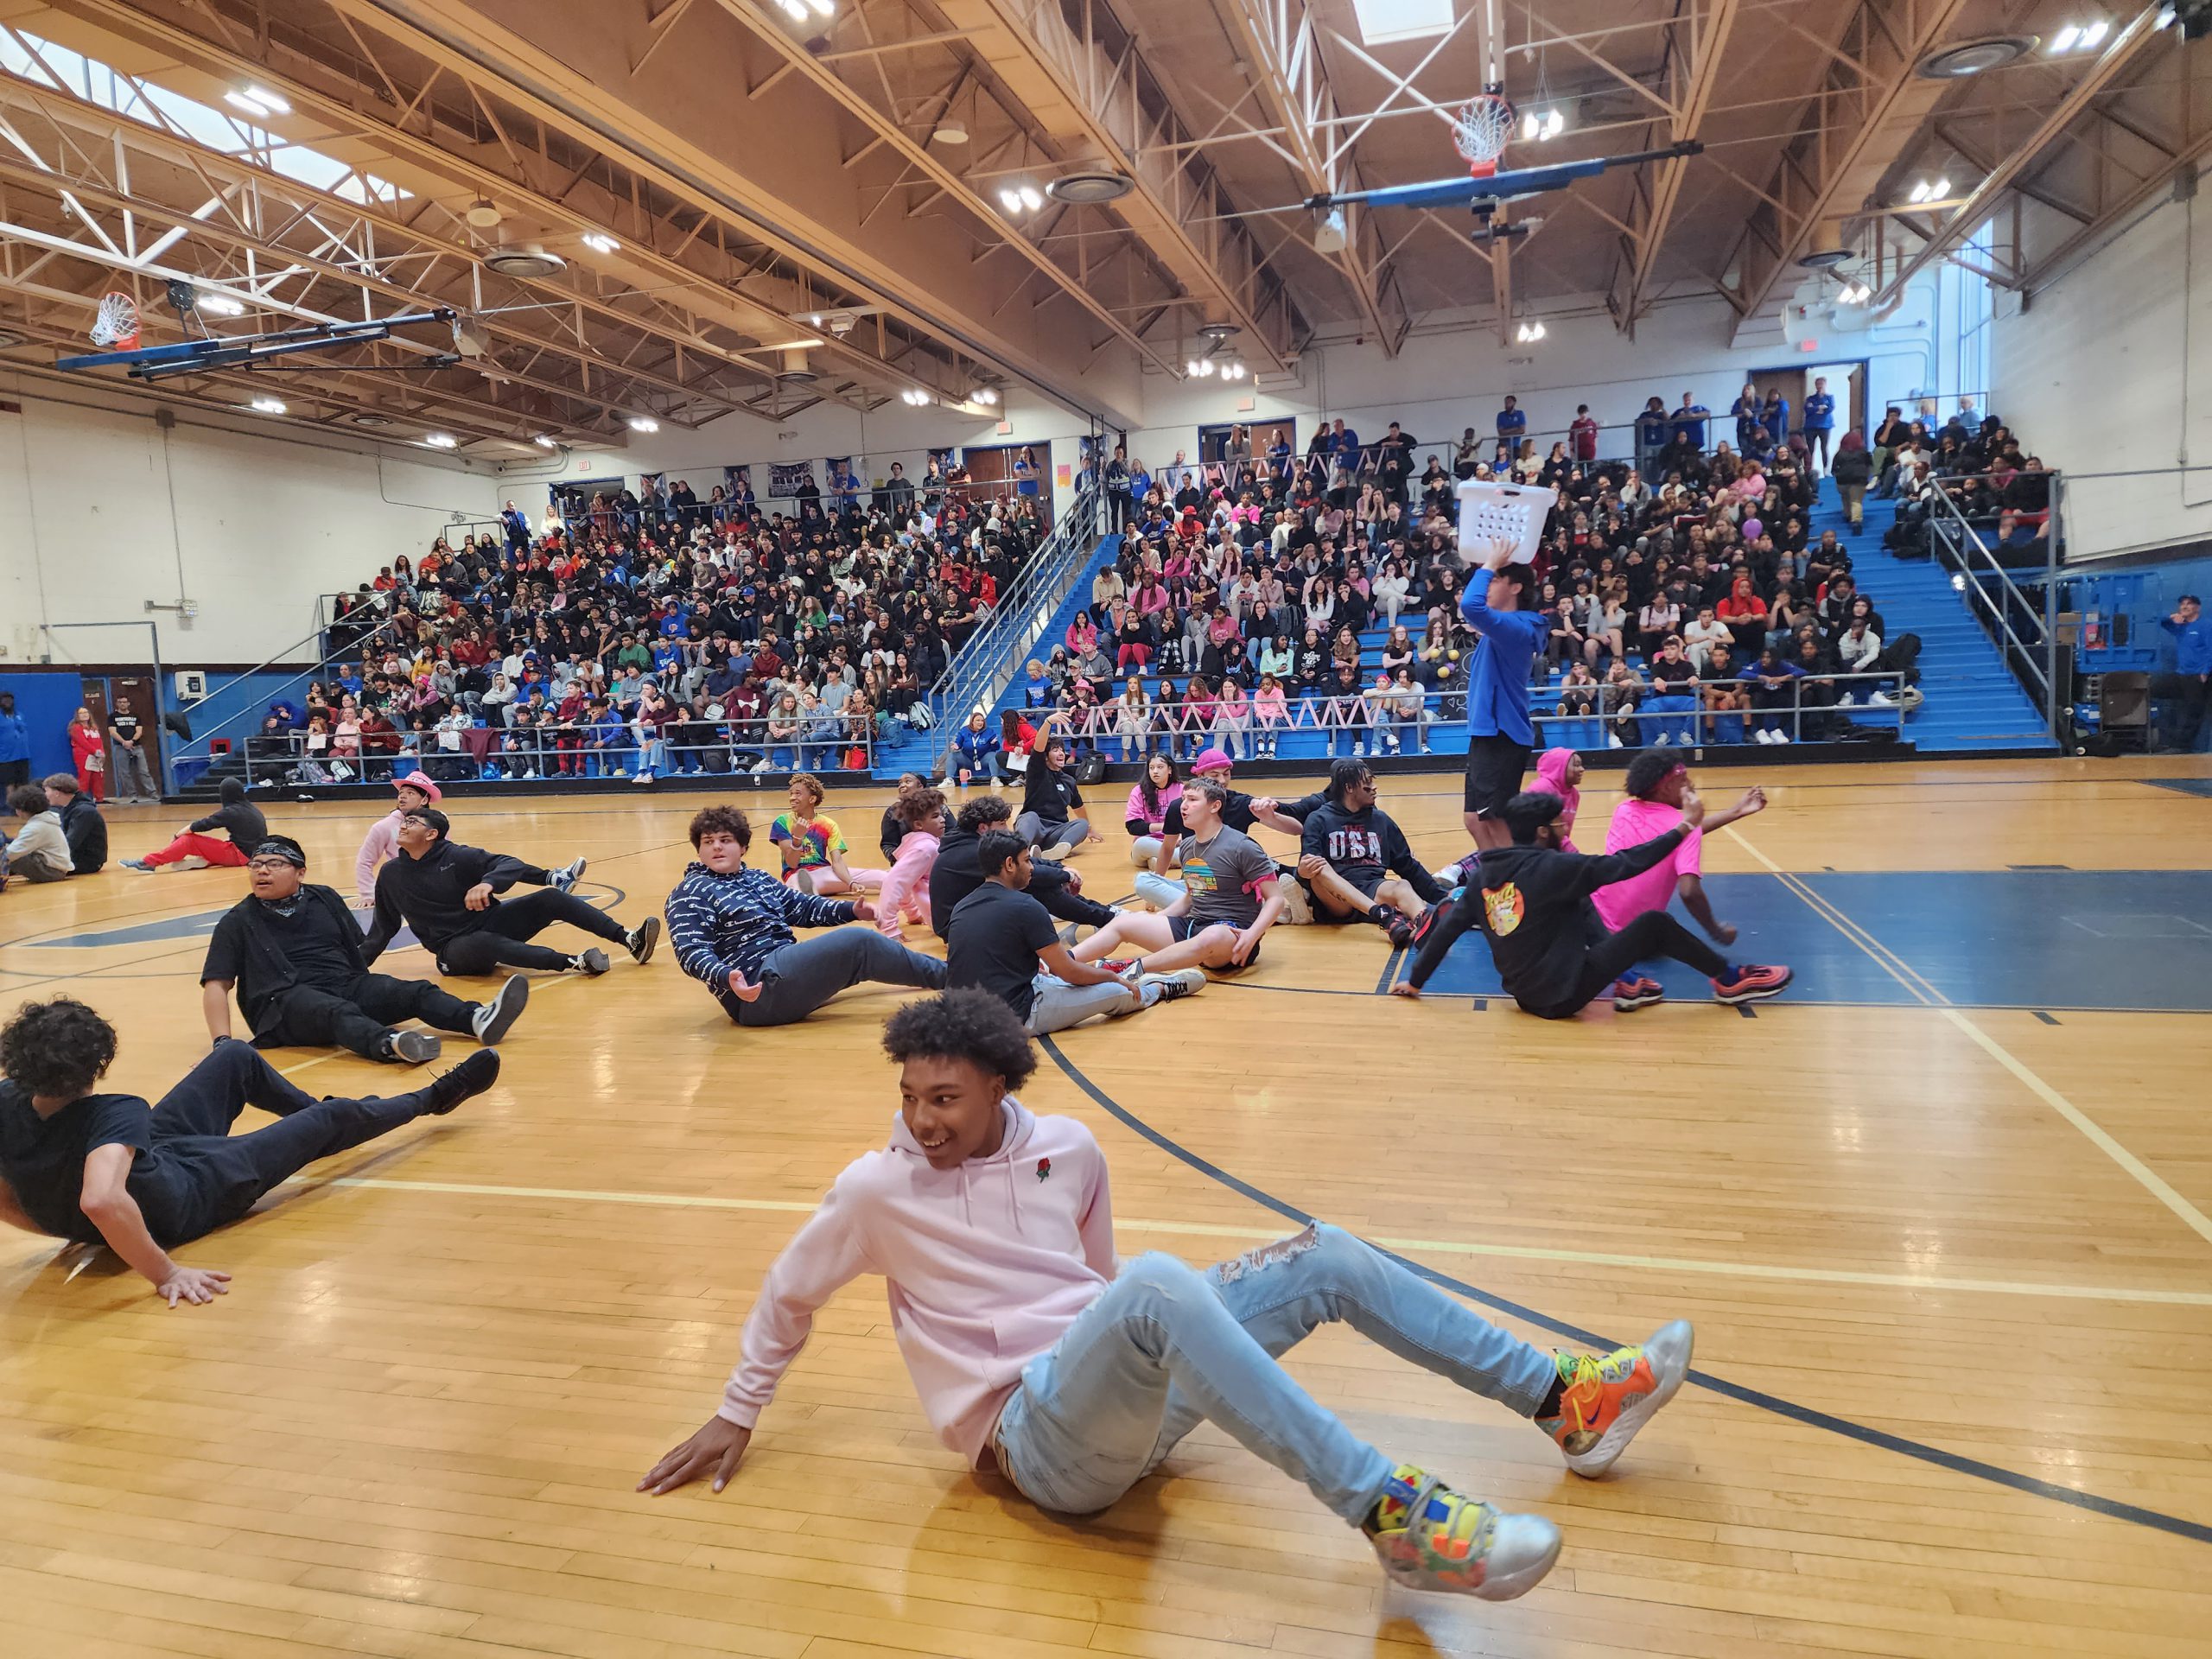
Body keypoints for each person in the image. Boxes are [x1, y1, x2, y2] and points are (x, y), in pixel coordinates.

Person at [639, 988, 1696, 1605]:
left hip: (1114, 1406)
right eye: (910, 1097)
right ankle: (1392, 1516)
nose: (923, 1120)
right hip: (1037, 1447)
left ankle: (1565, 1401)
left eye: (946, 1098)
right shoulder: (876, 1191)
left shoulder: (1069, 1147)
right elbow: (789, 1293)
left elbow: (1097, 1287)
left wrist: (1150, 1362)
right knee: (1156, 1285)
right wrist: (737, 1408)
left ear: (1002, 1085)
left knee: (1325, 1254)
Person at [0, 996, 499, 1306]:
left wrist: (65, 1226)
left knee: (235, 1056)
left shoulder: (7, 1100)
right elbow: (102, 1200)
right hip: (191, 1193)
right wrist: (165, 1272)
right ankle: (433, 1099)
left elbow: (12, 1197)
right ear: (98, 1061)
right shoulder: (113, 1113)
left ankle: (324, 1126)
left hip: (159, 1162)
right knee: (329, 1118)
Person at [1417, 789, 1789, 1017]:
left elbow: (1446, 929)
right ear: (1543, 832)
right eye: (1558, 824)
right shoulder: (1557, 867)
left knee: (1577, 899)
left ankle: (1625, 981)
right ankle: (1729, 980)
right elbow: (1631, 862)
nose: (1564, 828)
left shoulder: (1483, 875)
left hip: (1524, 996)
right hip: (1562, 996)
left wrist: (1415, 981)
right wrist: (1684, 826)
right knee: (1654, 924)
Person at [201, 835, 530, 1065]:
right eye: (256, 864)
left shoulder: (324, 897)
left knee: (415, 991)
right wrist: (223, 1044)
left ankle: (476, 1018)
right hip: (282, 1005)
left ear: (300, 872)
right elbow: (217, 984)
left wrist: (375, 988)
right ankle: (390, 1045)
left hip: (343, 984)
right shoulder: (238, 921)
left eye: (274, 863)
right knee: (336, 1011)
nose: (262, 871)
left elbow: (357, 949)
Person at [664, 804, 945, 1027]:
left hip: (780, 969)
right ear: (699, 850)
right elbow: (691, 951)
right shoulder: (690, 891)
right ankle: (954, 975)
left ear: (743, 847)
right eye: (708, 842)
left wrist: (850, 910)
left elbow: (802, 907)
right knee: (859, 943)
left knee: (859, 958)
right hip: (755, 990)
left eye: (725, 840)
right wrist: (725, 976)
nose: (716, 847)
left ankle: (948, 974)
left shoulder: (757, 878)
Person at [946, 833, 1202, 1032]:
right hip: (1016, 1017)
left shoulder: (962, 906)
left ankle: (1114, 975)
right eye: (1027, 860)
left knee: (1057, 979)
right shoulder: (1026, 906)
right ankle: (1157, 988)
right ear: (1009, 864)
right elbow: (1067, 971)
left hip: (964, 1019)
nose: (1032, 867)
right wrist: (1111, 978)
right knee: (1116, 993)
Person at [364, 808, 658, 977]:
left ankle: (629, 939)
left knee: (551, 897)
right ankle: (573, 962)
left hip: (491, 923)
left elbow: (510, 863)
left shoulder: (456, 856)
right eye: (404, 822)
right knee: (482, 941)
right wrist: (353, 968)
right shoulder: (391, 874)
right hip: (452, 952)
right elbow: (382, 929)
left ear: (432, 834)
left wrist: (488, 883)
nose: (403, 826)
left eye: (412, 822)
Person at [1067, 780, 1284, 976]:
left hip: (1232, 934)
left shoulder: (1242, 846)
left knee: (1213, 936)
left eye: (1192, 800)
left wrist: (1252, 935)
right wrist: (1156, 919)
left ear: (1215, 806)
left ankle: (1129, 967)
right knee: (1125, 921)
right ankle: (1062, 963)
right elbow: (1191, 898)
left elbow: (1276, 899)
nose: (1183, 806)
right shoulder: (1188, 846)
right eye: (1183, 799)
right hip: (1193, 927)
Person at [1592, 753, 1768, 946]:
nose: (1691, 784)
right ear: (1666, 788)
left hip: (1592, 924)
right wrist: (1716, 930)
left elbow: (1673, 833)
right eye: (1684, 780)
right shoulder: (1685, 830)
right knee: (1667, 926)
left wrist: (1736, 811)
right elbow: (1689, 892)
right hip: (1630, 939)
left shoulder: (1624, 810)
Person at [1458, 535, 1548, 849]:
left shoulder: (1517, 629)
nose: (1488, 584)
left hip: (1502, 735)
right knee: (1475, 819)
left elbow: (1470, 605)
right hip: (1488, 733)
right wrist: (1490, 567)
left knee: (1496, 821)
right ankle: (1497, 876)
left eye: (1495, 579)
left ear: (1516, 587)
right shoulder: (1505, 629)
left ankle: (1518, 876)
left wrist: (1491, 562)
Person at [1296, 760, 1447, 947]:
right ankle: (1383, 916)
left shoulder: (1381, 820)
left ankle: (1424, 922)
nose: (1374, 787)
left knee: (1403, 885)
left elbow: (1408, 866)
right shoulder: (1318, 819)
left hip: (1373, 889)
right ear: (1349, 788)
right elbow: (1307, 869)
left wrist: (1442, 898)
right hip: (1337, 899)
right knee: (1318, 865)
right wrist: (1302, 873)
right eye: (1367, 783)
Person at [930, 795, 1118, 939]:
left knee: (1038, 884)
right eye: (1002, 824)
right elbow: (1028, 871)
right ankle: (1108, 918)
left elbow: (1027, 861)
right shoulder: (972, 852)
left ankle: (1107, 914)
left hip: (972, 914)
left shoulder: (974, 842)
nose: (1007, 829)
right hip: (957, 927)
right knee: (1032, 886)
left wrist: (1062, 868)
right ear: (983, 828)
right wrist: (1065, 876)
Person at [771, 773, 886, 894]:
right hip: (795, 875)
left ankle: (894, 878)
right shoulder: (782, 822)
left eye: (797, 794)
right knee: (797, 886)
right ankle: (808, 893)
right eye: (791, 794)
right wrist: (797, 839)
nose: (792, 798)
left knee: (881, 877)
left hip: (825, 872)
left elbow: (837, 862)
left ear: (812, 799)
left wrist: (851, 883)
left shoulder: (828, 824)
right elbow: (792, 863)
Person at [121, 778, 266, 874]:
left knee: (189, 840)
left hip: (239, 856)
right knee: (215, 844)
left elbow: (203, 824)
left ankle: (149, 862)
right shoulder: (250, 808)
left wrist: (177, 835)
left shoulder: (232, 811)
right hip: (250, 855)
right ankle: (204, 861)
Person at [875, 785, 946, 939]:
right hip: (946, 919)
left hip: (941, 914)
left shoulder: (925, 843)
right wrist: (889, 927)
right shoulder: (924, 848)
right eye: (935, 816)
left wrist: (913, 913)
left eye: (941, 815)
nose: (943, 820)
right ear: (918, 825)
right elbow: (894, 883)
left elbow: (910, 883)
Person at [1017, 738, 1102, 859]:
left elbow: (1078, 807)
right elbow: (1038, 748)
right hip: (1035, 828)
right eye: (1055, 750)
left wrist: (1089, 829)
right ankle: (1020, 851)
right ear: (1046, 757)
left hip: (1055, 832)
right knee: (1029, 816)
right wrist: (1047, 726)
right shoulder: (1036, 772)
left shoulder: (1069, 781)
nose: (1061, 753)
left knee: (1083, 824)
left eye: (1062, 750)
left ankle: (1057, 851)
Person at [2152, 594, 2210, 752]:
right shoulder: (2181, 627)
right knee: (2154, 689)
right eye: (2182, 604)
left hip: (2198, 676)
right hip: (2181, 675)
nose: (2184, 606)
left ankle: (2182, 747)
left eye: (2189, 604)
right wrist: (2171, 617)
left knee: (2193, 712)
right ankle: (2166, 740)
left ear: (2197, 607)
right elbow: (2157, 619)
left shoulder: (2206, 625)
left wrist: (2205, 672)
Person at [3, 783, 73, 885]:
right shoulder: (46, 819)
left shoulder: (35, 827)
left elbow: (11, 853)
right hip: (57, 868)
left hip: (51, 872)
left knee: (7, 856)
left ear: (22, 809)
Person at [44, 773, 106, 874]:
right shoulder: (67, 808)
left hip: (85, 862)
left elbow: (71, 842)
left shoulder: (84, 811)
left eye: (47, 791)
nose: (45, 795)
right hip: (73, 858)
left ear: (56, 793)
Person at [106, 704, 159, 802]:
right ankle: (132, 795)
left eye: (125, 702)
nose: (123, 704)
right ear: (117, 704)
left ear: (128, 703)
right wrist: (124, 742)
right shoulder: (113, 717)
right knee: (124, 772)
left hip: (137, 747)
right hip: (120, 747)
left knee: (144, 771)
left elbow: (139, 731)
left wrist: (132, 741)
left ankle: (153, 793)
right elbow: (112, 732)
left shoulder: (135, 716)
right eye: (120, 702)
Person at [67, 708, 107, 803]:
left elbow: (99, 741)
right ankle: (81, 800)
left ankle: (99, 799)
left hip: (96, 756)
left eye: (86, 712)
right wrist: (95, 752)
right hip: (84, 756)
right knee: (85, 777)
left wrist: (102, 753)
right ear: (77, 716)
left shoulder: (93, 727)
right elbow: (83, 742)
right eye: (81, 713)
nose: (84, 714)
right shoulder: (76, 728)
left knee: (98, 777)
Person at [1802, 376, 1835, 471]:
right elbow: (1807, 409)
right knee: (1810, 449)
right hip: (1810, 426)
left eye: (1821, 384)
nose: (1819, 386)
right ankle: (1809, 469)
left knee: (1824, 448)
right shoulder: (1810, 398)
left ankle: (1826, 469)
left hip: (1825, 426)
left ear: (1825, 385)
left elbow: (1830, 408)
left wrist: (1814, 408)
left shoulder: (1829, 397)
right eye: (1818, 384)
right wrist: (1820, 407)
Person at [0, 690, 29, 790]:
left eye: (10, 699)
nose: (8, 701)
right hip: (6, 758)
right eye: (4, 699)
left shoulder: (19, 715)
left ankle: (22, 801)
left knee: (23, 785)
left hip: (23, 756)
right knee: (10, 785)